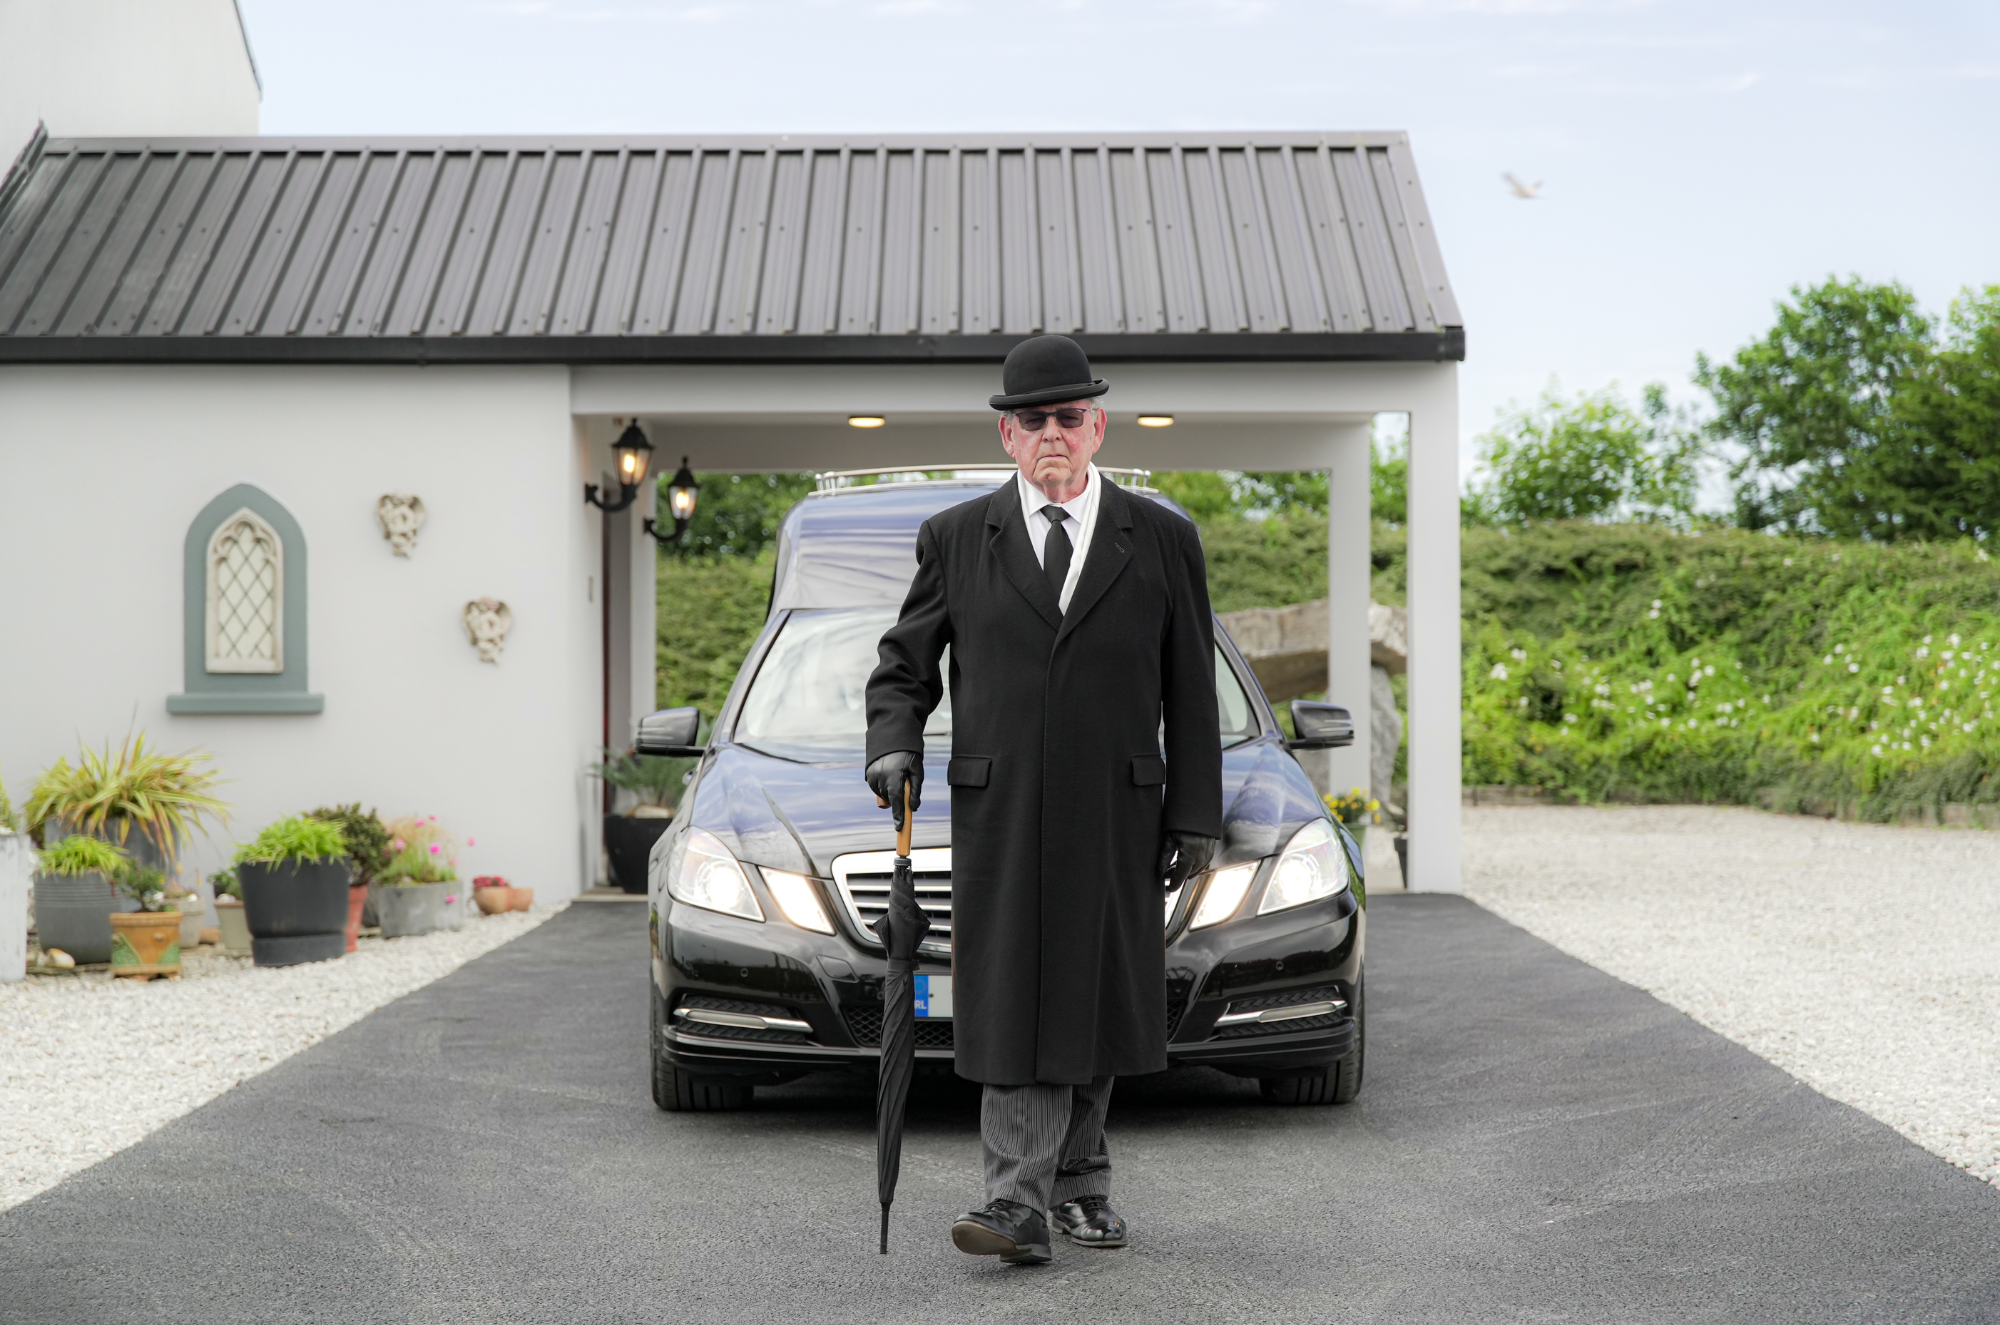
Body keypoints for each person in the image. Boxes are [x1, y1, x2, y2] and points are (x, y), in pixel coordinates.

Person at [864, 335, 1222, 1265]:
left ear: (1098, 425)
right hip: (1003, 807)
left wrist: (1193, 813)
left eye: (1070, 417)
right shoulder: (955, 536)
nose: (1053, 434)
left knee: (1095, 988)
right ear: (1007, 435)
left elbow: (1190, 688)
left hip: (1118, 805)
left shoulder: (1164, 537)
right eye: (1035, 420)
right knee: (1015, 995)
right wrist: (894, 744)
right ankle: (1015, 1200)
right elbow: (904, 665)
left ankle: (1079, 1177)